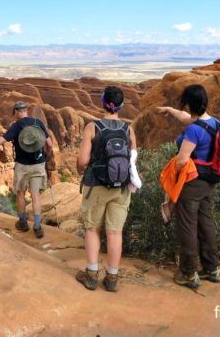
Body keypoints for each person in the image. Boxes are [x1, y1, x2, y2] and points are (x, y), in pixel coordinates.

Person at [157, 84, 220, 289]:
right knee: (206, 223)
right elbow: (187, 118)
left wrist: (172, 174)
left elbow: (182, 160)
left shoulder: (194, 131)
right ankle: (212, 269)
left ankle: (188, 273)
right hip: (209, 181)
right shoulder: (215, 123)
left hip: (192, 183)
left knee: (187, 226)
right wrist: (170, 110)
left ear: (189, 104)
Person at [75, 86, 137, 292]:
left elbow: (83, 161)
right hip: (121, 188)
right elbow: (133, 159)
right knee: (115, 232)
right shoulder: (129, 130)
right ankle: (112, 278)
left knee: (93, 229)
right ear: (120, 105)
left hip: (96, 185)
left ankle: (91, 275)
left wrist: (79, 168)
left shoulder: (93, 127)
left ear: (102, 102)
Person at [0, 101, 53, 239]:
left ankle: (22, 222)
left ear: (16, 111)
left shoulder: (16, 126)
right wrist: (43, 156)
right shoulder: (37, 122)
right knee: (35, 195)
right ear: (26, 110)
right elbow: (49, 144)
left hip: (22, 165)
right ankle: (38, 226)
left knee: (20, 193)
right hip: (38, 164)